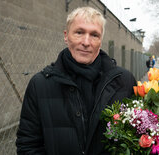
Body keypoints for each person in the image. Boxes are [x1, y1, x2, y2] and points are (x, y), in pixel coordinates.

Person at [16, 7, 136, 155]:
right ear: (66, 36)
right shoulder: (40, 84)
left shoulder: (124, 82)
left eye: (94, 35)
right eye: (79, 32)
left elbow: (136, 140)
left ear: (100, 41)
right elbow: (28, 145)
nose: (86, 42)